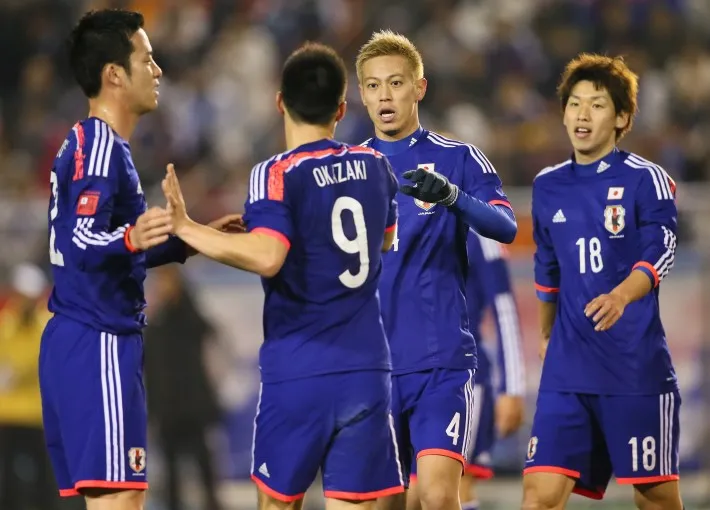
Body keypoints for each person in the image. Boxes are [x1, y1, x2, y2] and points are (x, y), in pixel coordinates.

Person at [161, 41, 404, 510]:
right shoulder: (377, 167)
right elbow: (385, 242)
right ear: (341, 107)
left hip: (300, 367)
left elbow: (269, 255)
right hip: (365, 368)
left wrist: (188, 229)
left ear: (279, 102)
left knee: (277, 504)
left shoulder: (275, 172)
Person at [39, 9, 238, 510]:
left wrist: (194, 238)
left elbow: (104, 248)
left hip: (92, 338)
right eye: (146, 60)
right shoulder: (100, 144)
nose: (158, 71)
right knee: (120, 501)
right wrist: (130, 237)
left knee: (122, 498)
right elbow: (84, 239)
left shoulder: (101, 144)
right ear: (114, 74)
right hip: (97, 338)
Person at [355, 30, 517, 510]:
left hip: (440, 363)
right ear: (361, 94)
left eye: (396, 83)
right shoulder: (350, 168)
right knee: (383, 503)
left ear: (419, 88)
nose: (385, 95)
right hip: (373, 368)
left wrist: (451, 196)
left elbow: (505, 227)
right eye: (373, 85)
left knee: (438, 495)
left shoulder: (458, 159)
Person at [522, 53, 683, 510]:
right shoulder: (547, 184)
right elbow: (547, 266)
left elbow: (661, 250)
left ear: (622, 117)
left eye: (596, 104)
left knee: (655, 499)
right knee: (539, 496)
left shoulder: (646, 179)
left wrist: (620, 295)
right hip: (567, 371)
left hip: (633, 369)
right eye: (574, 104)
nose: (582, 115)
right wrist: (547, 331)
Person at [144, 265, 223, 510]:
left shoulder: (189, 319)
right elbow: (149, 369)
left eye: (167, 283)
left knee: (203, 462)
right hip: (166, 408)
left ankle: (212, 504)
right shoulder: (154, 326)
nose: (162, 288)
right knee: (170, 469)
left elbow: (207, 332)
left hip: (193, 405)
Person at [456, 232, 526, 510]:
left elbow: (503, 307)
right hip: (398, 375)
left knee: (451, 485)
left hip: (463, 376)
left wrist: (513, 387)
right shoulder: (393, 211)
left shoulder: (475, 227)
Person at [0, 263, 58, 510]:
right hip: (8, 414)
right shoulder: (6, 323)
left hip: (37, 414)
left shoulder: (45, 324)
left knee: (43, 479)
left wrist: (16, 369)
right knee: (7, 480)